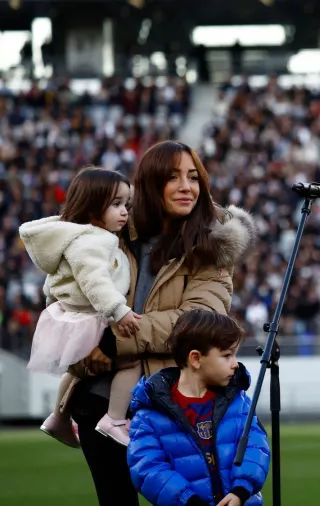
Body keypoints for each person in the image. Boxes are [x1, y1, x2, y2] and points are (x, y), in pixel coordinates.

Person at [65, 140, 257, 506]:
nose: (187, 186)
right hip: (100, 403)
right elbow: (67, 310)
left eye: (193, 177)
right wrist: (86, 353)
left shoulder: (213, 247)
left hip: (170, 408)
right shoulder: (109, 235)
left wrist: (111, 342)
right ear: (150, 184)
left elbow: (197, 324)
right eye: (173, 177)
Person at [19, 167, 143, 447]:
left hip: (72, 316)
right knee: (132, 360)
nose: (124, 212)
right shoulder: (92, 241)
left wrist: (54, 303)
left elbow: (54, 282)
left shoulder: (76, 237)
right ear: (91, 206)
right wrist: (119, 310)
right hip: (91, 317)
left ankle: (58, 416)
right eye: (115, 205)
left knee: (74, 372)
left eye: (126, 204)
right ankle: (115, 418)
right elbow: (95, 281)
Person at [128, 309, 270, 506]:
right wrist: (188, 501)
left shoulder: (239, 402)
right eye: (227, 355)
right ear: (195, 358)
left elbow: (256, 447)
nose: (235, 364)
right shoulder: (150, 413)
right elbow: (148, 469)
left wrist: (241, 490)